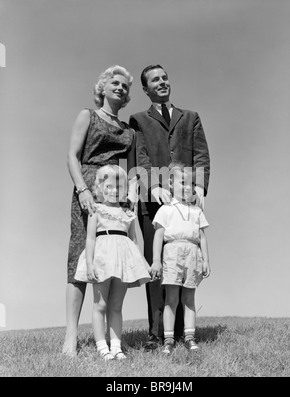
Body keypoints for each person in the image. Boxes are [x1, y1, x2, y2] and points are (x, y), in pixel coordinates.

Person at [129, 64, 210, 349]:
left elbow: (200, 154)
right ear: (145, 89)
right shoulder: (138, 120)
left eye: (164, 77)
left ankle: (183, 334)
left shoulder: (191, 118)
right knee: (158, 267)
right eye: (155, 80)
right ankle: (157, 335)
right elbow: (139, 157)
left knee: (185, 262)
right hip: (153, 205)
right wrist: (153, 186)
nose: (162, 82)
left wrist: (199, 187)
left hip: (186, 205)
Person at [63, 65, 137, 356]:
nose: (120, 88)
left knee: (111, 259)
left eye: (125, 86)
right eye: (114, 83)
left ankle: (109, 339)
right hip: (88, 189)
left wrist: (131, 194)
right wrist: (82, 189)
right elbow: (72, 155)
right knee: (80, 255)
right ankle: (71, 336)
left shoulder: (129, 131)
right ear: (102, 88)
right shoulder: (87, 116)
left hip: (114, 194)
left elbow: (132, 171)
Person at [74, 165, 151, 360]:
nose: (113, 191)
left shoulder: (128, 213)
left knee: (116, 305)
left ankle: (116, 346)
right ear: (99, 188)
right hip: (101, 259)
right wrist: (90, 264)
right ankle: (102, 347)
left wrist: (142, 262)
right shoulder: (96, 210)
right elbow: (90, 238)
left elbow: (133, 240)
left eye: (118, 187)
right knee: (100, 304)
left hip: (122, 261)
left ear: (124, 189)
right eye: (108, 186)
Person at [150, 161, 210, 354]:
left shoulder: (196, 210)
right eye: (182, 182)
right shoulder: (165, 209)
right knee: (172, 298)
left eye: (191, 184)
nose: (187, 187)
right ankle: (168, 339)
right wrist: (156, 261)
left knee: (189, 298)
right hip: (172, 254)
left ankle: (190, 337)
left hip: (192, 254)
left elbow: (202, 237)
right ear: (170, 183)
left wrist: (206, 260)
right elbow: (158, 235)